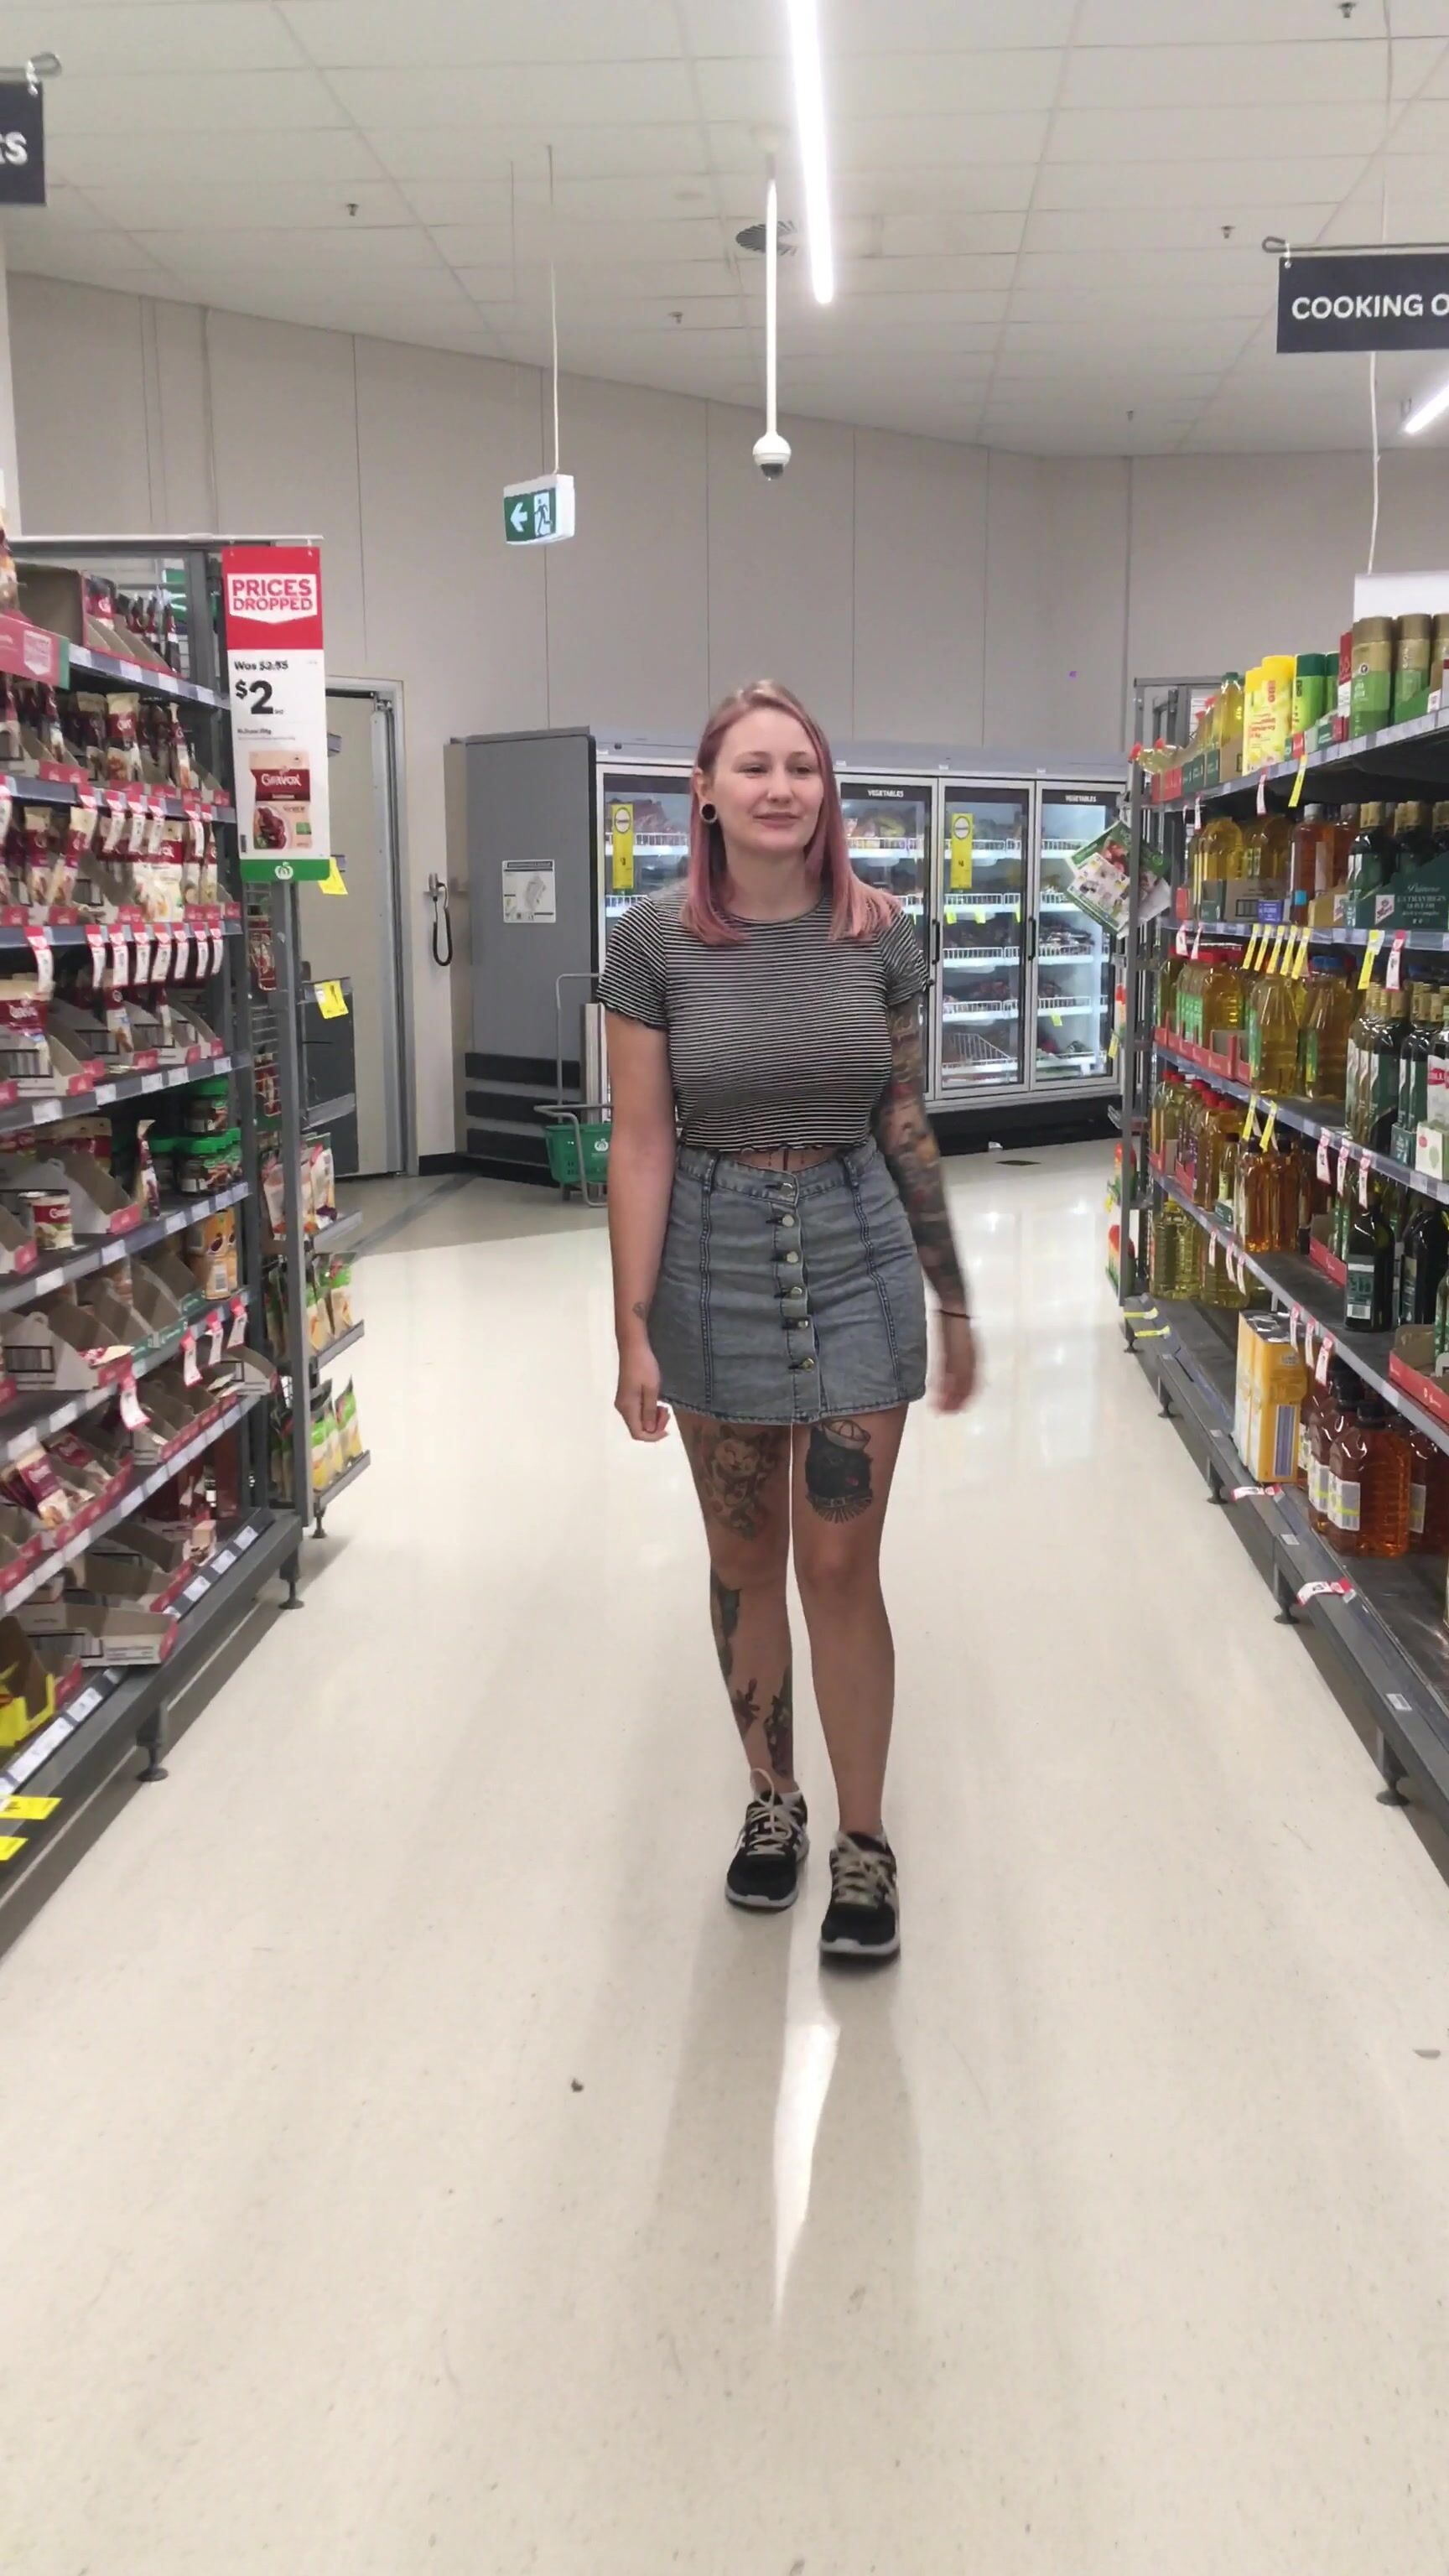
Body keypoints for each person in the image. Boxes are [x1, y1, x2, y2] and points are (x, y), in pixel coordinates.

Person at [601, 680, 977, 1963]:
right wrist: (632, 1327)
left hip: (856, 1250)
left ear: (828, 790)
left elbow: (904, 1120)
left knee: (839, 1567)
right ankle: (775, 1801)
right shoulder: (651, 944)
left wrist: (951, 1294)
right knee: (744, 1558)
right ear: (704, 792)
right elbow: (641, 1142)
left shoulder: (883, 935)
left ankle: (863, 1838)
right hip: (708, 1261)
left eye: (802, 768)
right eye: (754, 767)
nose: (781, 788)